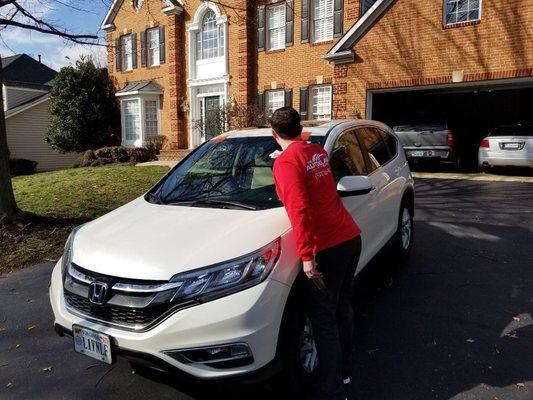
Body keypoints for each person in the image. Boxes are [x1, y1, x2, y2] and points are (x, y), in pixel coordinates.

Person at [270, 107, 362, 400]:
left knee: (323, 317)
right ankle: (344, 371)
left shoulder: (286, 163)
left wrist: (307, 257)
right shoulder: (316, 153)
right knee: (341, 307)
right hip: (349, 237)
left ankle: (331, 385)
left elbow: (299, 210)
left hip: (328, 248)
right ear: (301, 129)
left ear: (274, 134)